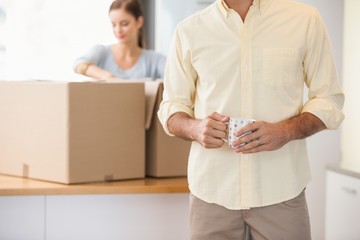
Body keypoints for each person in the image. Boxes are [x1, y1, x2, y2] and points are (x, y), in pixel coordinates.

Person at [157, 0, 345, 239]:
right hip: (212, 193)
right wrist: (194, 128)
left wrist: (285, 131)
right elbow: (171, 107)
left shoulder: (305, 19)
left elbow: (329, 98)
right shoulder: (189, 30)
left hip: (281, 191)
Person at [73, 0, 166, 80]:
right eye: (114, 24)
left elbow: (174, 76)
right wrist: (106, 76)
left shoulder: (155, 60)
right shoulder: (101, 52)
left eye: (124, 24)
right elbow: (78, 64)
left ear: (139, 22)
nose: (118, 30)